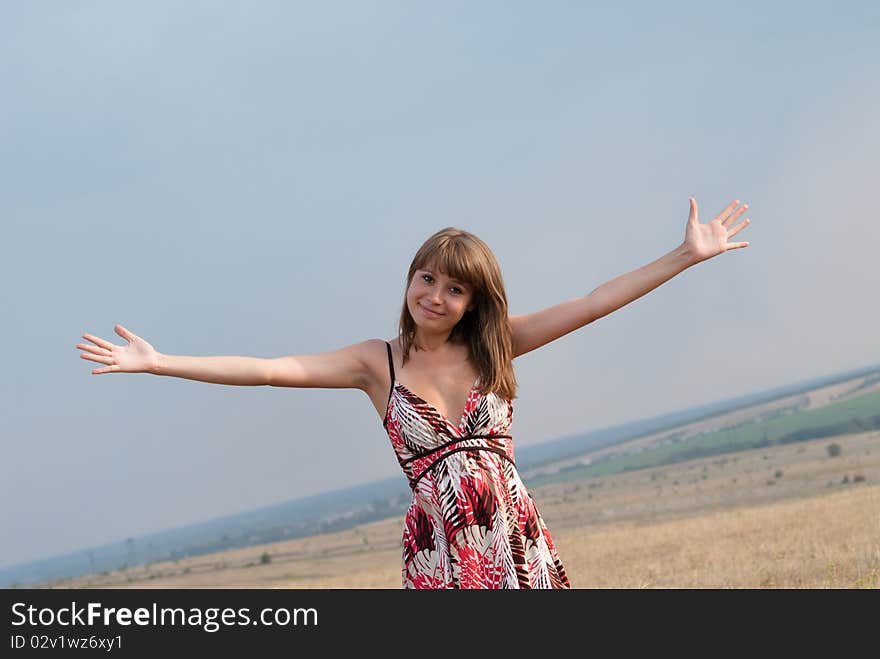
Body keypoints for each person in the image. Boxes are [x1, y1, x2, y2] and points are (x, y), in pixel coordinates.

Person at [77, 197, 750, 589]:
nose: (434, 295)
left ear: (472, 300)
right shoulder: (378, 363)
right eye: (425, 278)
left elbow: (595, 301)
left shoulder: (496, 344)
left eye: (453, 287)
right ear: (410, 280)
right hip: (443, 543)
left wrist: (685, 255)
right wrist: (160, 361)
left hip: (510, 534)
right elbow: (269, 367)